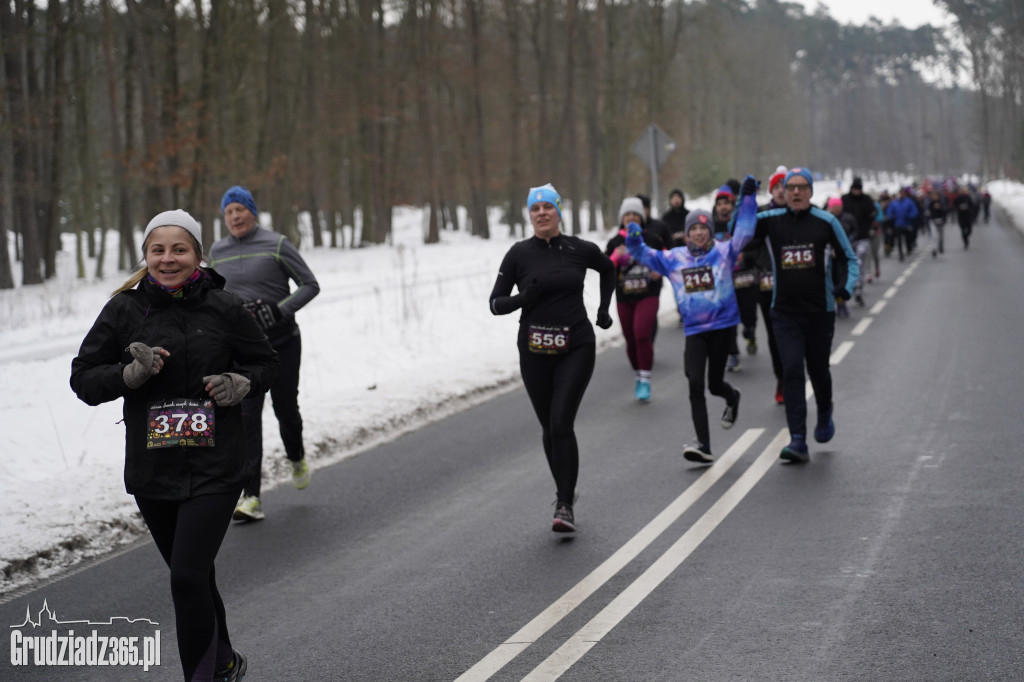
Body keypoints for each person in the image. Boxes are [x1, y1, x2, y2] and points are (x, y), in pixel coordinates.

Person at [71, 209, 278, 682]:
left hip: (217, 464)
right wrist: (128, 375)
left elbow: (267, 362)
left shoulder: (225, 308)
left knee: (185, 576)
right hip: (153, 469)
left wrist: (240, 380)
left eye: (179, 249)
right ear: (145, 255)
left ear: (198, 255)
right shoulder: (123, 310)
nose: (168, 259)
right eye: (158, 250)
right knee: (195, 576)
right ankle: (224, 659)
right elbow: (82, 378)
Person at [489, 183, 615, 533]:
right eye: (535, 209)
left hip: (576, 345)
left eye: (547, 207)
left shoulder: (579, 249)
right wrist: (522, 299)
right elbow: (495, 304)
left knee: (561, 422)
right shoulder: (518, 254)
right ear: (529, 216)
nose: (542, 213)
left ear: (558, 211)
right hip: (534, 351)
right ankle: (565, 490)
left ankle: (563, 503)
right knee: (548, 427)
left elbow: (608, 269)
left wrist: (604, 309)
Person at [625, 175, 759, 464]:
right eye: (693, 229)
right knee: (694, 382)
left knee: (714, 385)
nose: (699, 233)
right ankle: (704, 445)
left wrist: (748, 199)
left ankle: (731, 397)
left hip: (723, 328)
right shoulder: (675, 258)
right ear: (686, 234)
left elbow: (745, 231)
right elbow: (643, 254)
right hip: (695, 331)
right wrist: (633, 237)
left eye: (703, 228)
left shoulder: (724, 252)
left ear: (710, 231)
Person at [209, 186, 320, 522]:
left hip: (282, 341)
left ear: (252, 212)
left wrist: (280, 310)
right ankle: (251, 497)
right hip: (243, 351)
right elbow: (212, 295)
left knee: (286, 409)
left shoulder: (277, 244)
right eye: (228, 212)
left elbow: (309, 285)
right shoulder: (217, 252)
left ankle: (296, 456)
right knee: (245, 420)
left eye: (240, 209)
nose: (234, 216)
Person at [750, 168, 859, 463]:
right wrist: (746, 199)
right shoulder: (770, 222)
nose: (795, 192)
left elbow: (849, 257)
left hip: (819, 312)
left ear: (810, 192)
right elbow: (741, 229)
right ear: (783, 192)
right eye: (790, 188)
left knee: (819, 371)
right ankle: (797, 439)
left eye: (801, 187)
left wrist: (845, 288)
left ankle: (825, 412)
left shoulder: (826, 222)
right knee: (792, 370)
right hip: (784, 312)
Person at [606, 197, 665, 401]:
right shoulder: (615, 242)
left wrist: (659, 269)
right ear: (622, 218)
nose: (631, 218)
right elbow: (605, 269)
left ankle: (646, 379)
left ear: (642, 217)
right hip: (624, 297)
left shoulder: (653, 239)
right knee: (630, 338)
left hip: (648, 294)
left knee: (641, 334)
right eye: (627, 214)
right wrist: (615, 256)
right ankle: (639, 375)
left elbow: (667, 260)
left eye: (635, 214)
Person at [712, 184, 743, 372]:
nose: (723, 207)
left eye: (726, 203)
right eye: (719, 203)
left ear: (732, 204)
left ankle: (750, 331)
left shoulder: (740, 222)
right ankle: (732, 351)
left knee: (746, 314)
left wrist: (744, 255)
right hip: (721, 278)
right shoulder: (710, 226)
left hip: (743, 276)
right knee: (727, 314)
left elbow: (751, 241)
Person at [841, 177, 876, 304]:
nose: (856, 191)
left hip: (863, 236)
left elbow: (874, 212)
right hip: (847, 238)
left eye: (858, 189)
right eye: (855, 189)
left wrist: (871, 217)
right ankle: (850, 286)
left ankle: (858, 290)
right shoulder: (844, 199)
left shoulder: (866, 200)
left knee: (859, 262)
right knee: (847, 265)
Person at [826, 197, 858, 317]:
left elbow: (855, 230)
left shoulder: (848, 217)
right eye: (834, 206)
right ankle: (832, 305)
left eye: (838, 206)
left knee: (841, 279)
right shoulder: (825, 219)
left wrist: (849, 241)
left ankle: (842, 304)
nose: (836, 208)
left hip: (843, 255)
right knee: (830, 280)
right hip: (829, 255)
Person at [885, 187, 919, 262]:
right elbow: (889, 211)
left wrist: (909, 216)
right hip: (898, 224)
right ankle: (901, 254)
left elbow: (915, 211)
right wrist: (890, 217)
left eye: (902, 193)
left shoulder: (909, 202)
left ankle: (909, 249)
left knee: (908, 238)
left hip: (907, 224)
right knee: (899, 240)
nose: (901, 195)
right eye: (900, 193)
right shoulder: (894, 203)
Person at [952, 184, 976, 249]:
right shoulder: (958, 198)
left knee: (969, 230)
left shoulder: (968, 198)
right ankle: (965, 242)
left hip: (968, 216)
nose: (963, 192)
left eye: (964, 191)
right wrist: (959, 208)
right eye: (962, 191)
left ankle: (967, 236)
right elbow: (954, 206)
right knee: (962, 230)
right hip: (961, 216)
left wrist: (969, 210)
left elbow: (972, 206)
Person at [925, 188, 948, 257]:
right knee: (934, 236)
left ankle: (940, 246)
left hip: (940, 221)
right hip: (933, 221)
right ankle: (934, 249)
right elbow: (928, 212)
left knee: (940, 236)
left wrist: (939, 207)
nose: (934, 197)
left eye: (935, 196)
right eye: (933, 196)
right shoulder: (931, 203)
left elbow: (945, 210)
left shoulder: (941, 202)